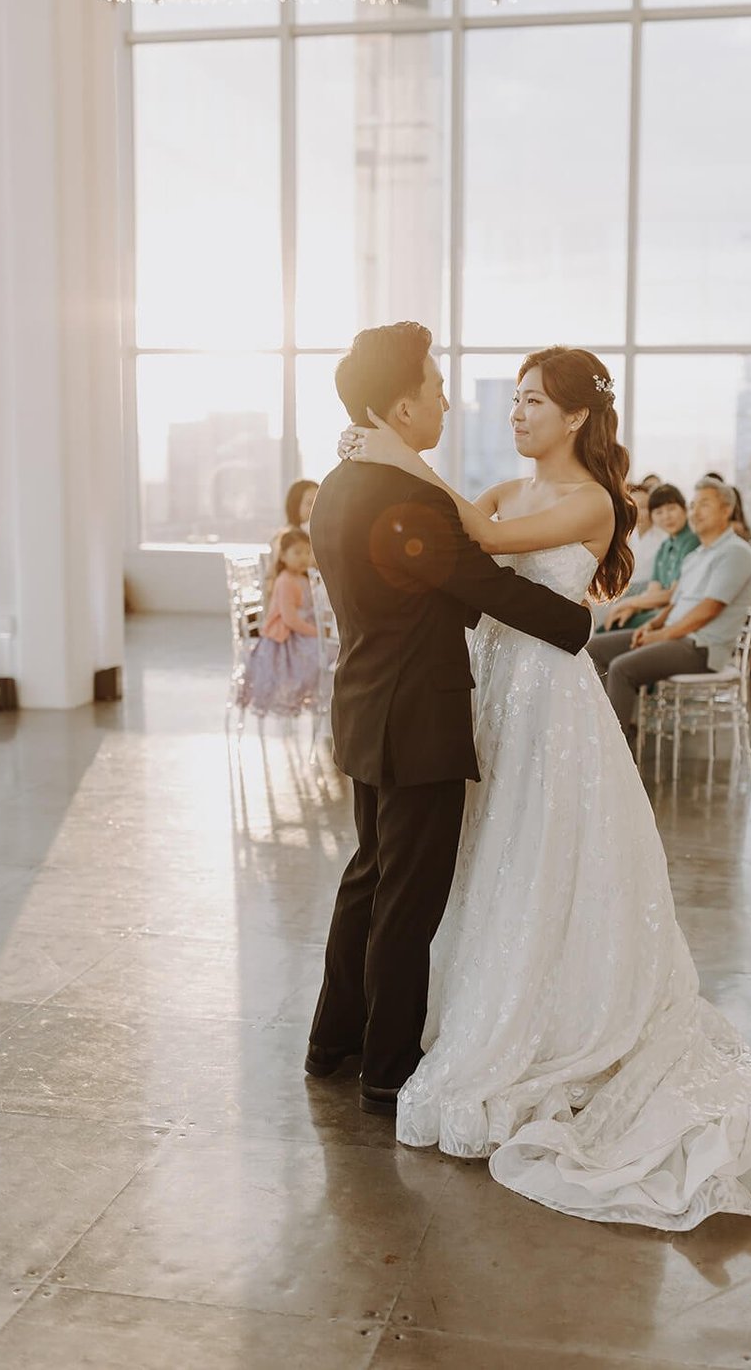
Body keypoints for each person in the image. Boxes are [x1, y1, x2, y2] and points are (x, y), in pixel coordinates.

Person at [338, 346, 751, 1231]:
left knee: (545, 849)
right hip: (490, 693)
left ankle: (555, 1017)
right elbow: (467, 528)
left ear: (577, 417)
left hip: (552, 699)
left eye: (533, 402)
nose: (515, 415)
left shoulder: (594, 500)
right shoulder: (508, 490)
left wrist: (392, 453)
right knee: (481, 855)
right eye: (511, 400)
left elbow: (479, 538)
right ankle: (473, 1004)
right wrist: (399, 464)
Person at [304, 323, 593, 1120]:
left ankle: (333, 1041)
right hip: (417, 719)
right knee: (407, 897)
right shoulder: (408, 497)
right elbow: (482, 588)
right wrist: (579, 625)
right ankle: (389, 1069)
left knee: (367, 876)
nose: (443, 402)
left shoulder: (338, 481)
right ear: (402, 407)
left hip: (364, 705)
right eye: (434, 391)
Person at [588, 477, 751, 734]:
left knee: (622, 669)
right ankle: (602, 731)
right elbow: (675, 603)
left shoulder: (735, 552)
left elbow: (708, 610)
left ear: (726, 510)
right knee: (594, 649)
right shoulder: (696, 555)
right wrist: (654, 625)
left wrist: (661, 634)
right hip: (676, 637)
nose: (695, 512)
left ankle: (614, 753)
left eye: (705, 505)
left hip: (702, 646)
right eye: (693, 505)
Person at [239, 527, 321, 716]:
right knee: (320, 654)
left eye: (308, 552)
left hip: (299, 633)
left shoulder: (303, 579)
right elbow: (290, 620)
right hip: (285, 638)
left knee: (327, 652)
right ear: (283, 556)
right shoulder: (285, 581)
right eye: (297, 552)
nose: (303, 557)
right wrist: (317, 632)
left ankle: (318, 699)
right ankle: (312, 697)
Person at [599, 483, 698, 632]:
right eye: (659, 512)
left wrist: (627, 604)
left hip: (673, 615)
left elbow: (672, 594)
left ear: (684, 508)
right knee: (610, 625)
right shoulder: (665, 546)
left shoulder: (691, 541)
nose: (666, 516)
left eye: (671, 509)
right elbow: (654, 589)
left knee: (608, 632)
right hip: (655, 609)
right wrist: (632, 609)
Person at [270, 478, 321, 571]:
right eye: (309, 503)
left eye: (318, 502)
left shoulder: (316, 533)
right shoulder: (285, 537)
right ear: (296, 505)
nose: (315, 508)